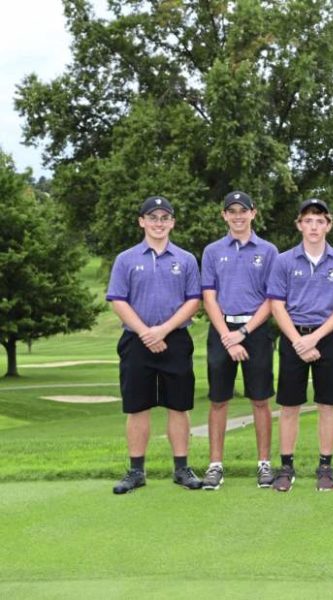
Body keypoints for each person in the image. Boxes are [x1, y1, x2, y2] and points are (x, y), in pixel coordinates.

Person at [107, 196, 203, 494]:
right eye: (153, 217)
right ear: (142, 221)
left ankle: (181, 468)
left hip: (175, 339)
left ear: (172, 222)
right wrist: (146, 332)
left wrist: (162, 330)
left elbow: (194, 301)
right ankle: (136, 471)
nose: (158, 223)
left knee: (178, 405)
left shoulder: (185, 259)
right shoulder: (126, 259)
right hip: (136, 341)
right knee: (138, 407)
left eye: (164, 218)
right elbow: (118, 300)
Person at [266, 198, 333, 492]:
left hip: (326, 339)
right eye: (308, 221)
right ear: (299, 225)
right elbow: (277, 305)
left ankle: (325, 467)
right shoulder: (283, 261)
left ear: (328, 225)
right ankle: (286, 467)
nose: (314, 226)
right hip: (293, 337)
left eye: (320, 221)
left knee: (327, 405)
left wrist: (314, 339)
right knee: (289, 406)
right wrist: (298, 341)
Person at [199, 191, 279, 490]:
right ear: (224, 215)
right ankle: (215, 465)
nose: (237, 216)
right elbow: (209, 297)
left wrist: (243, 334)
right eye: (231, 211)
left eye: (242, 211)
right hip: (222, 329)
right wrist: (227, 337)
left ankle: (264, 464)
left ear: (253, 214)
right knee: (219, 400)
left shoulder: (269, 251)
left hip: (256, 331)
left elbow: (272, 299)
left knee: (260, 400)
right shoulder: (212, 251)